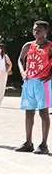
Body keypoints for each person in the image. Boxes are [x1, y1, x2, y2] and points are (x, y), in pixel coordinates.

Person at [16, 20, 51, 154]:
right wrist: (22, 72)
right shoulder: (28, 45)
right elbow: (20, 59)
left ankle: (43, 144)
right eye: (35, 29)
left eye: (40, 30)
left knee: (43, 112)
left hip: (42, 83)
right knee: (29, 111)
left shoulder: (49, 46)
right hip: (29, 81)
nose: (36, 31)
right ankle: (28, 142)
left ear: (46, 32)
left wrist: (50, 75)